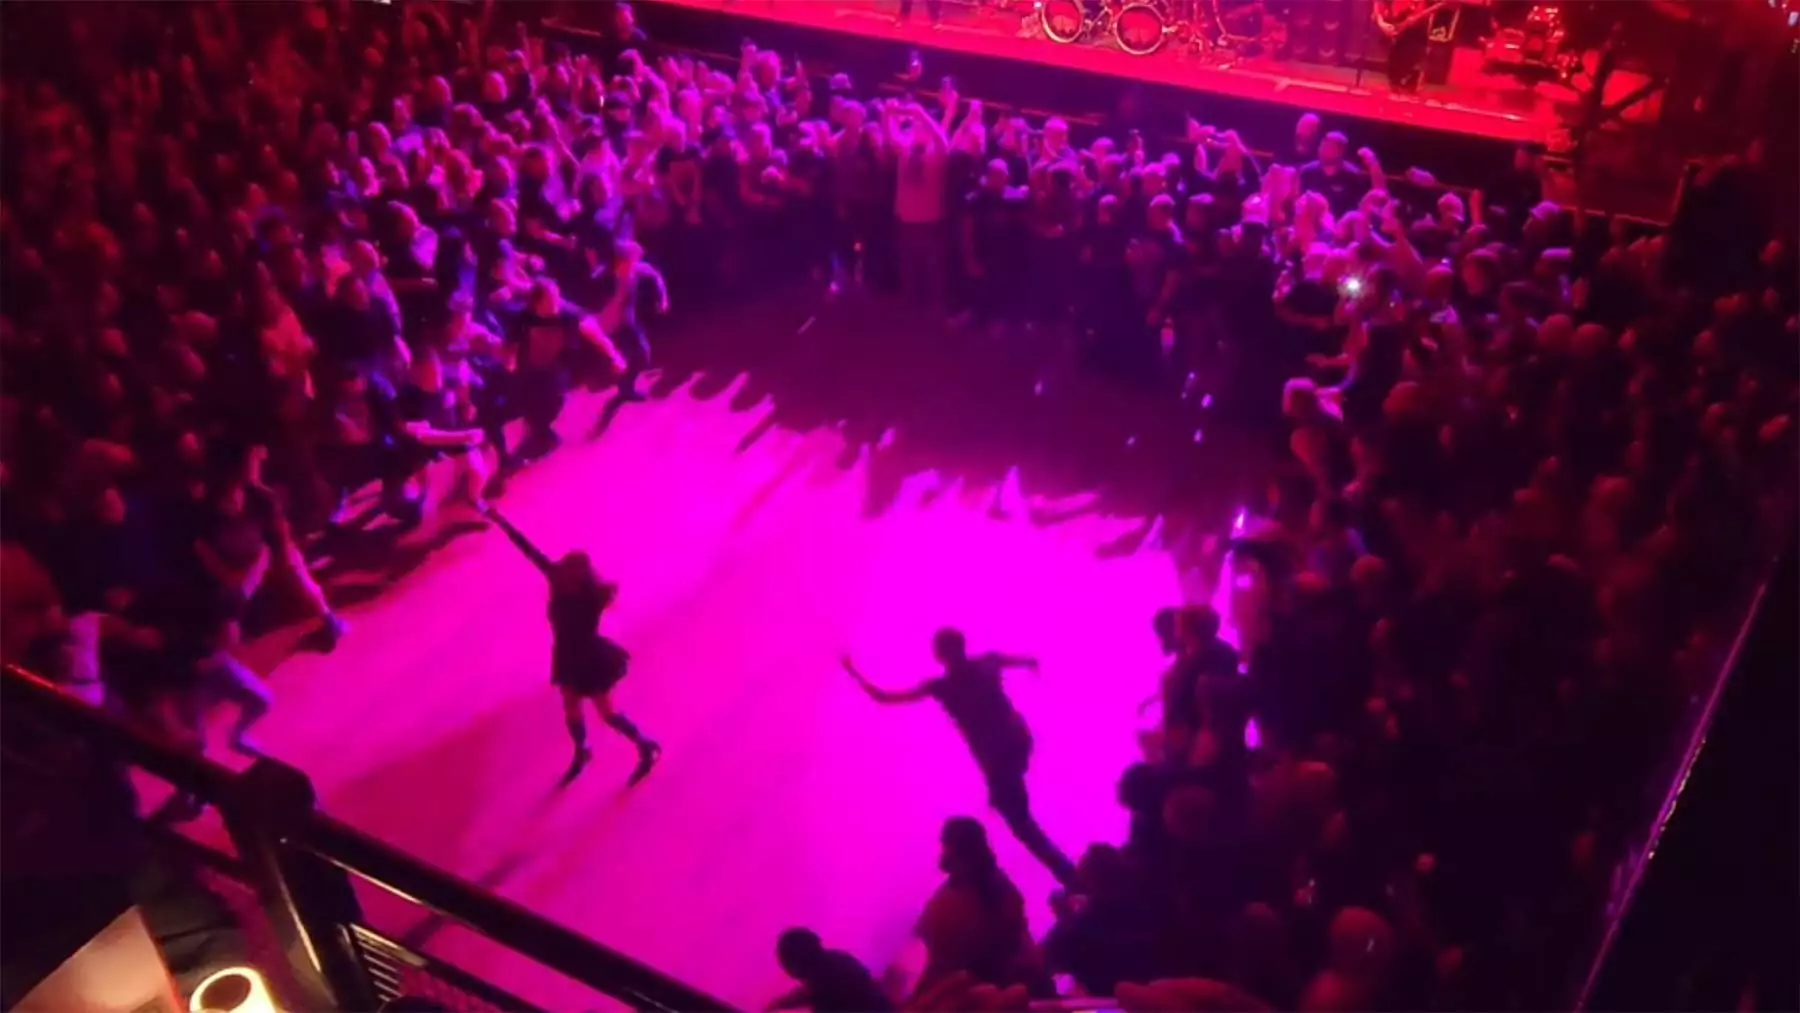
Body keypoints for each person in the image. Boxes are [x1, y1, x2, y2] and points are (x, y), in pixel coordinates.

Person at [843, 628, 1076, 884]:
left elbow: (885, 697)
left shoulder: (944, 686)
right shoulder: (987, 663)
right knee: (1016, 815)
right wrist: (1032, 664)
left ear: (939, 655)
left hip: (999, 759)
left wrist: (852, 672)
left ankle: (1067, 873)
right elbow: (1026, 660)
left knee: (1019, 822)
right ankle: (1065, 871)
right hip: (1016, 745)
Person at [484, 506, 660, 784]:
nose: (562, 571)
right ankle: (583, 750)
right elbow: (528, 550)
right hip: (568, 656)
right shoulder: (559, 580)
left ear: (578, 577)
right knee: (571, 706)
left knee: (606, 712)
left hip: (590, 660)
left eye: (569, 570)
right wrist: (498, 519)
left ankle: (644, 745)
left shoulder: (591, 598)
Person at [767, 928, 894, 1013]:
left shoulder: (823, 983)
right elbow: (807, 993)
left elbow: (815, 994)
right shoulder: (834, 960)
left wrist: (779, 1005)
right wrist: (781, 1004)